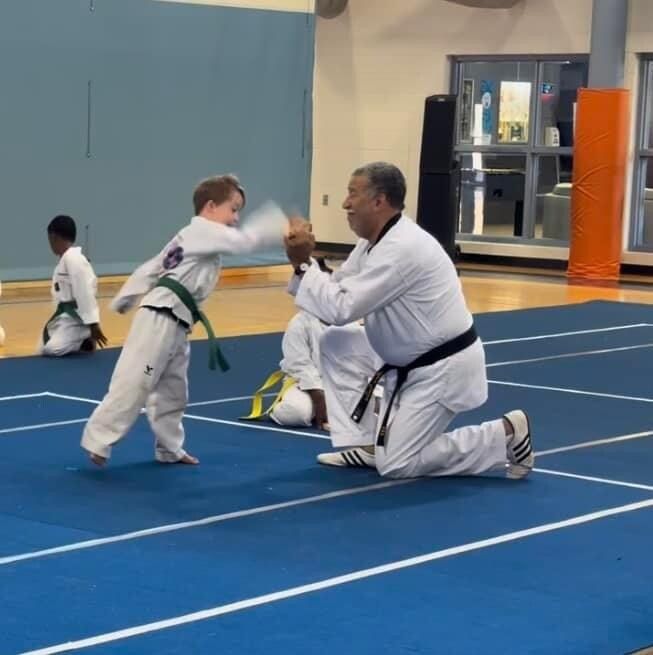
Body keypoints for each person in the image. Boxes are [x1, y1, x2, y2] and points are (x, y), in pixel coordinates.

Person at [283, 161, 534, 479]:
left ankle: (505, 434)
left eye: (352, 193)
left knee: (398, 465)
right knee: (337, 341)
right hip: (408, 359)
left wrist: (303, 264)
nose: (345, 203)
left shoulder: (401, 248)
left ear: (379, 201)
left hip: (441, 369)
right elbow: (337, 291)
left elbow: (342, 308)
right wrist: (302, 265)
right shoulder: (373, 244)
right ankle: (368, 444)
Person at [81, 174, 291, 467]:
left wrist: (126, 297)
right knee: (135, 380)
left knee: (174, 391)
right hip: (160, 317)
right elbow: (244, 241)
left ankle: (169, 448)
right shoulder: (203, 231)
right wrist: (279, 223)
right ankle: (98, 440)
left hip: (176, 322)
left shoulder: (190, 236)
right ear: (210, 206)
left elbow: (152, 266)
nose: (236, 217)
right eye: (233, 209)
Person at [243, 309, 329, 429]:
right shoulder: (300, 322)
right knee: (297, 412)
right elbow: (298, 364)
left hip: (341, 384)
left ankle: (323, 410)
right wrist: (318, 397)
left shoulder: (350, 323)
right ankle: (291, 406)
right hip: (304, 384)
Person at [40, 215, 107, 356]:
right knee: (41, 347)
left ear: (53, 237)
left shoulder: (73, 258)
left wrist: (93, 324)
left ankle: (84, 339)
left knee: (52, 349)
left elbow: (85, 292)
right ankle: (80, 340)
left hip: (78, 319)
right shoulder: (65, 260)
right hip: (65, 318)